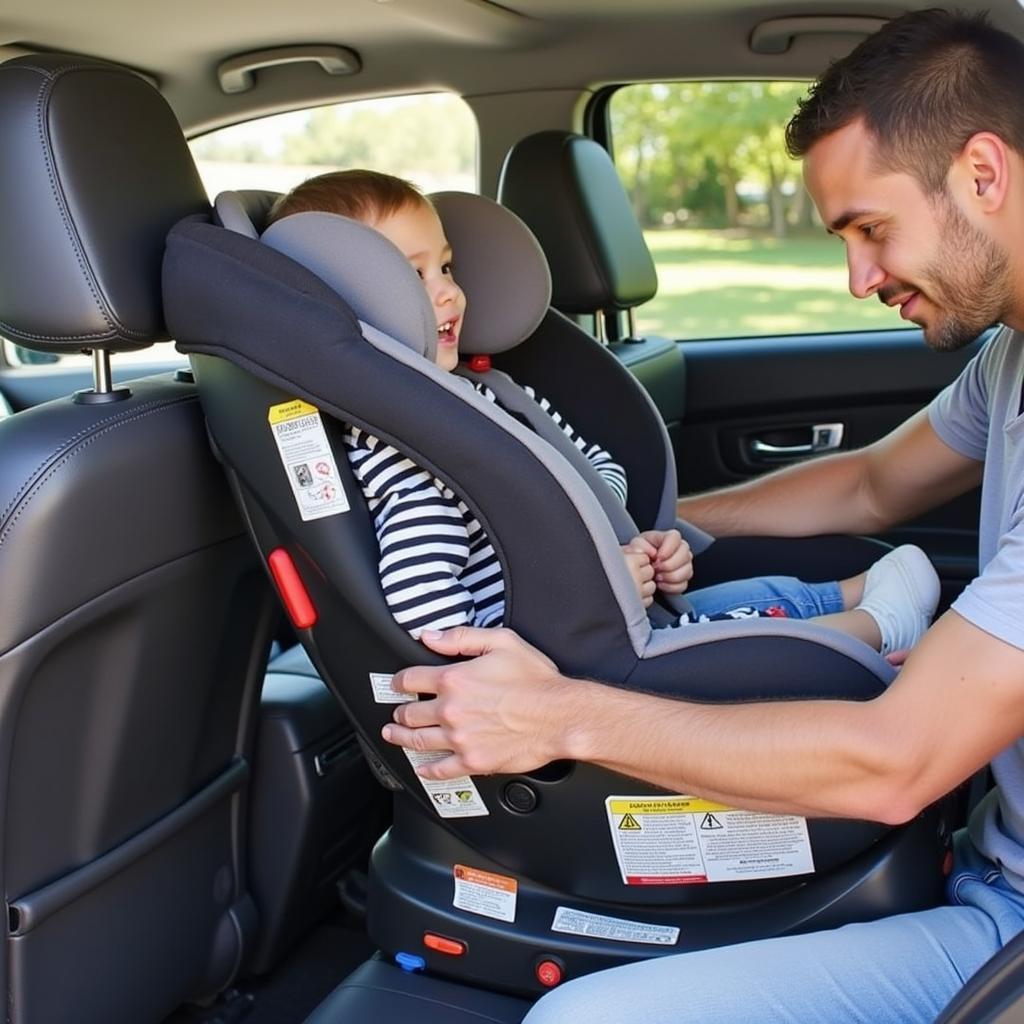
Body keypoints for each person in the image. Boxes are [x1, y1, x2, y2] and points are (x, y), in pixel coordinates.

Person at [379, 9, 1024, 1022]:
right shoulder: (1010, 358)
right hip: (990, 845)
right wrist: (616, 535)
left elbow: (896, 763)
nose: (857, 279)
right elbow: (867, 486)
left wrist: (558, 715)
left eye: (870, 228)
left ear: (982, 173)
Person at [268, 168, 939, 652]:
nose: (448, 294)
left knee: (705, 602)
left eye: (445, 268)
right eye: (412, 277)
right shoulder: (404, 452)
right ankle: (871, 630)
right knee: (711, 639)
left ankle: (851, 595)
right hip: (564, 661)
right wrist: (583, 590)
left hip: (605, 608)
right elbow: (435, 627)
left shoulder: (489, 392)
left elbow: (592, 468)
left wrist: (629, 546)